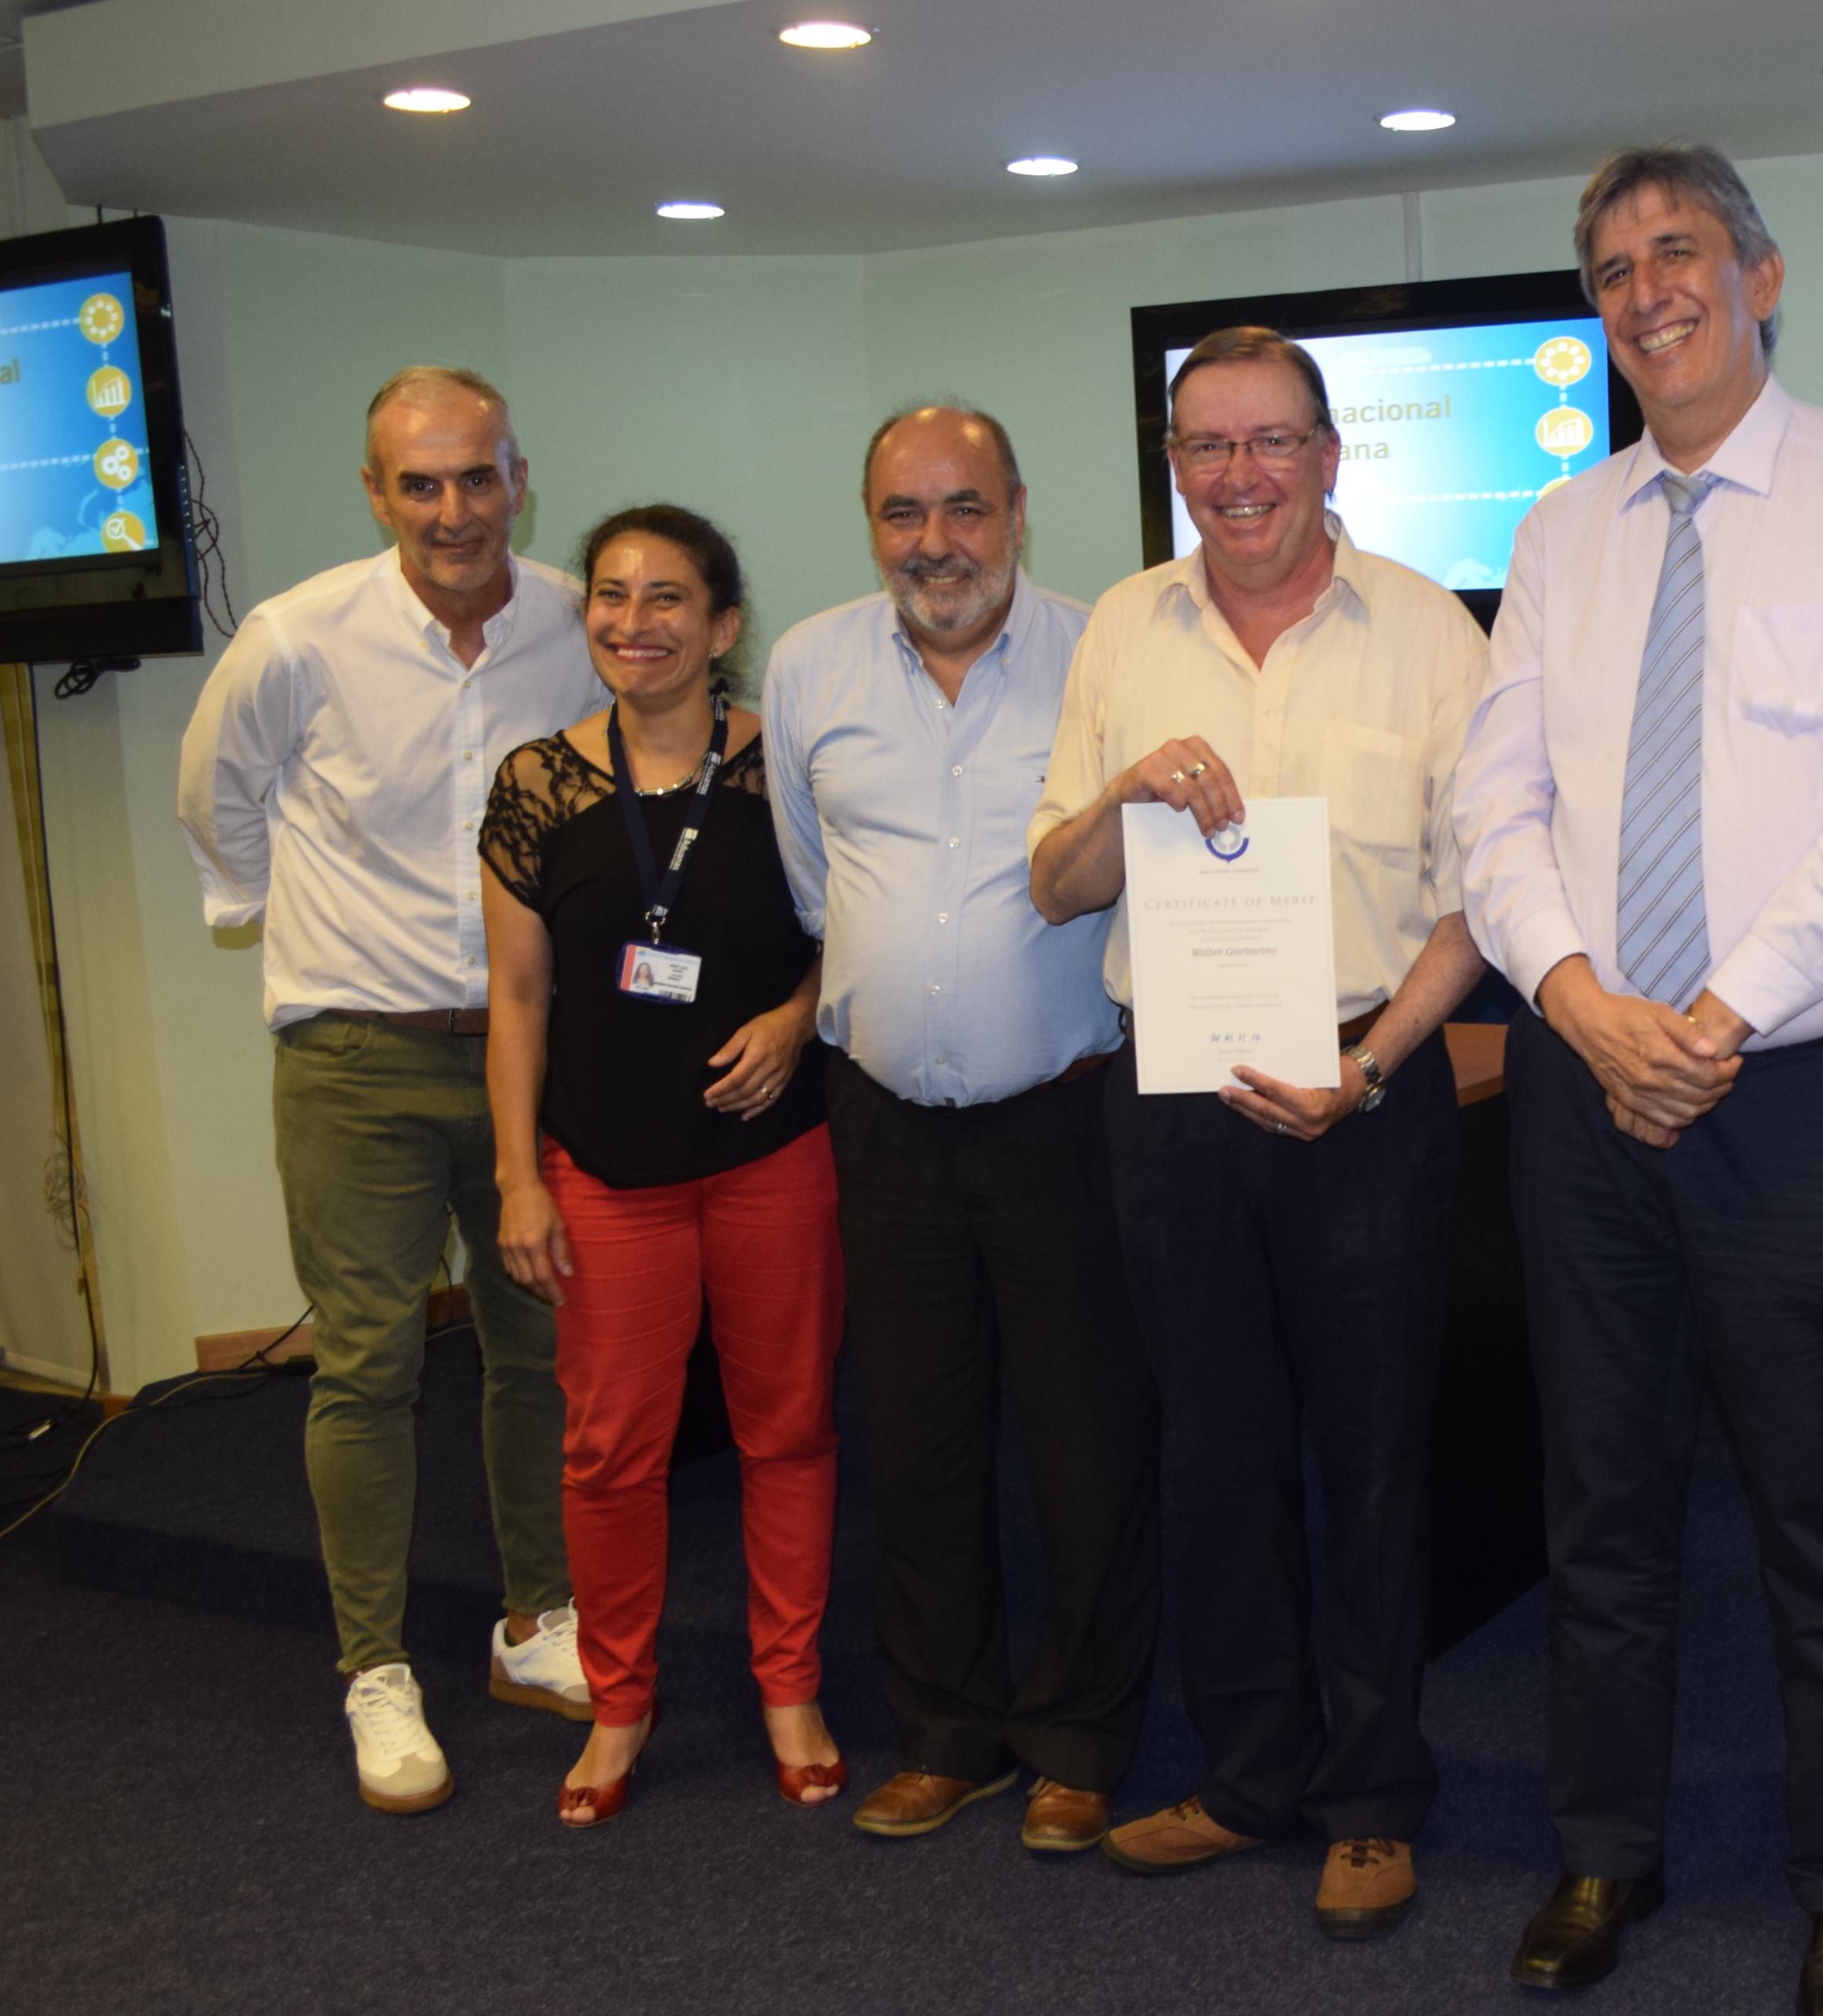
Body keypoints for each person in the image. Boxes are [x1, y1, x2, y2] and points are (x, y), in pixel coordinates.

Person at [1453, 145, 1823, 2016]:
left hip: (1807, 1093)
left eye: (1677, 250)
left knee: (1821, 1512)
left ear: (1761, 275)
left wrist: (1713, 1017)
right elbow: (1494, 802)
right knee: (1598, 1501)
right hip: (1586, 1083)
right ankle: (1605, 1850)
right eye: (1610, 267)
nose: (1645, 289)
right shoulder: (1561, 531)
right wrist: (1580, 1000)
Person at [1030, 326, 1484, 1940]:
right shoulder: (1122, 631)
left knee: (1371, 1454)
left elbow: (1480, 898)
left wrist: (1373, 1065)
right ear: (1175, 467)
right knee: (1214, 1451)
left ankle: (1371, 1796)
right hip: (1175, 1090)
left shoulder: (1429, 631)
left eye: (1272, 441)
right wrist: (1126, 798)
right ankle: (1247, 1776)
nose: (1241, 476)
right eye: (1208, 447)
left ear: (1329, 454)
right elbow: (1054, 883)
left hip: (1365, 1086)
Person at [178, 366, 598, 1815]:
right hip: (357, 1057)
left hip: (532, 1052)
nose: (452, 510)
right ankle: (375, 1665)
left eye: (477, 477)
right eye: (419, 483)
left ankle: (537, 1620)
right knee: (368, 1366)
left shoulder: (578, 624)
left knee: (538, 1344)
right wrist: (278, 920)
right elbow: (217, 797)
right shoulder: (295, 638)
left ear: (518, 479)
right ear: (376, 494)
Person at [765, 406, 1159, 1854]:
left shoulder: (1102, 655)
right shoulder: (809, 667)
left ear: (1018, 510)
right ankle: (947, 1733)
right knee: (918, 1439)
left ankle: (1079, 1738)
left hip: (1063, 1117)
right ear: (871, 522)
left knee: (1085, 1441)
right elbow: (814, 884)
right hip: (882, 1126)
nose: (935, 544)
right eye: (902, 513)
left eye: (965, 509)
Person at [481, 504, 841, 1827]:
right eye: (613, 597)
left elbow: (862, 929)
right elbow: (518, 1000)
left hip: (772, 1157)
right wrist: (519, 1178)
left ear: (724, 625)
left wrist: (798, 1017)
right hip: (606, 1172)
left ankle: (789, 1688)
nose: (636, 624)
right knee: (610, 1454)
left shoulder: (783, 768)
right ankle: (620, 1703)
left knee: (786, 1430)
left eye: (669, 598)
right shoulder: (536, 783)